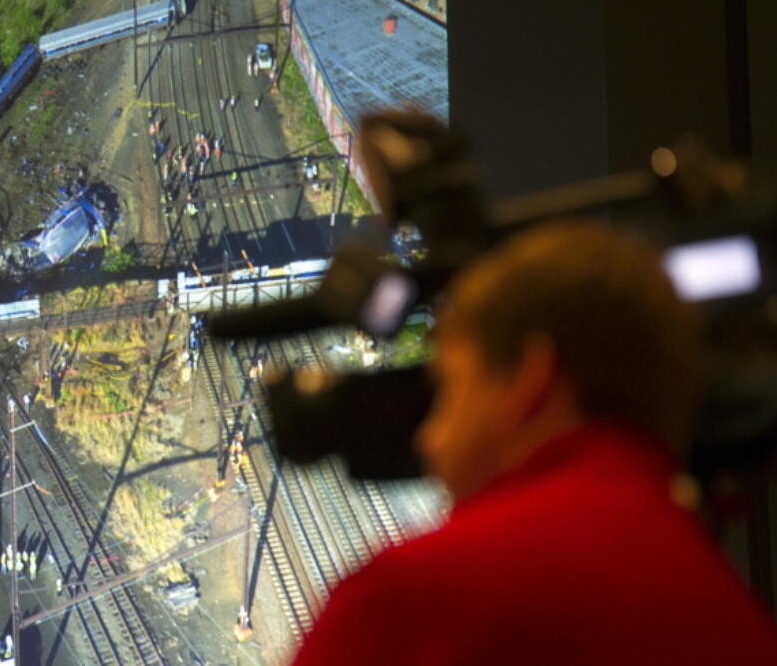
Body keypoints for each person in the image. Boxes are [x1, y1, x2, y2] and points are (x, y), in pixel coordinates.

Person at [289, 220, 777, 665]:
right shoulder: (738, 621)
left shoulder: (414, 599)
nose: (429, 436)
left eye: (450, 388)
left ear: (530, 379)